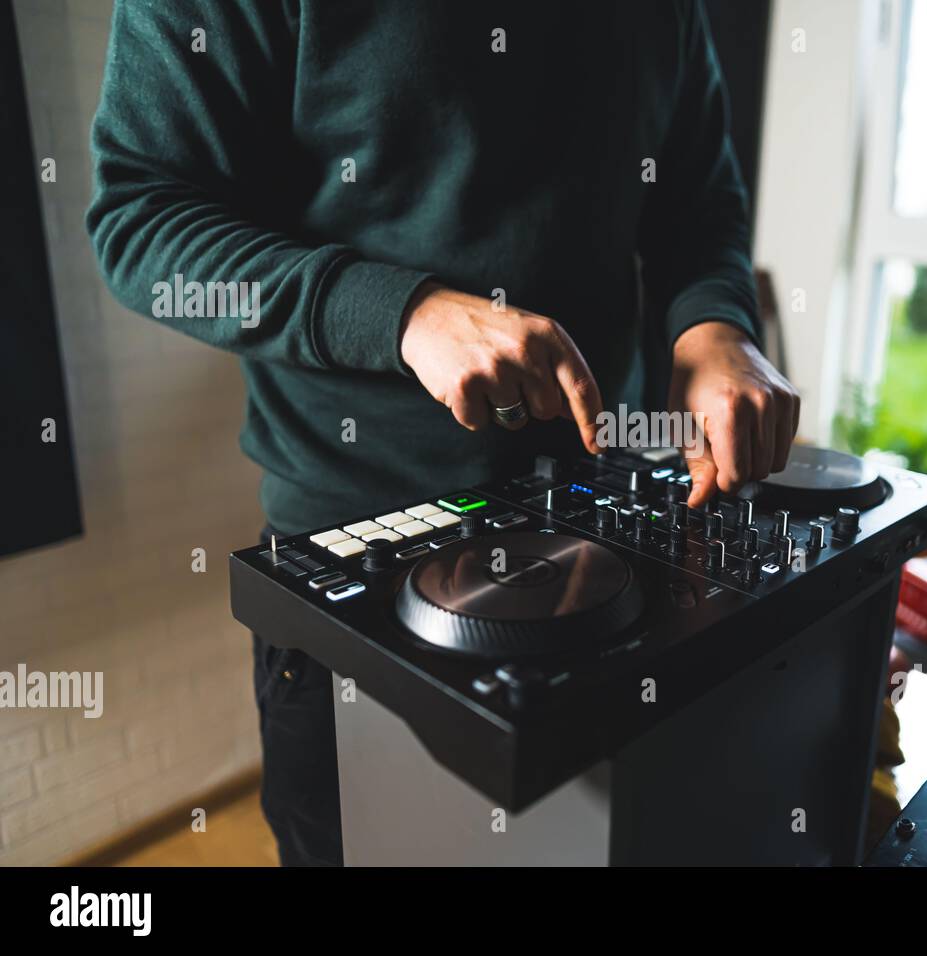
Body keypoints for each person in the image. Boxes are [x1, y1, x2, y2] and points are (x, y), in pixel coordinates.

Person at [87, 0, 798, 866]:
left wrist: (717, 330)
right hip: (359, 545)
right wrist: (403, 314)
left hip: (615, 526)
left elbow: (696, 199)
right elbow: (141, 224)